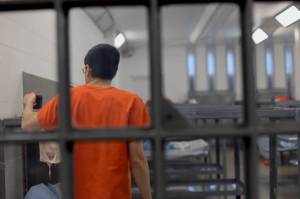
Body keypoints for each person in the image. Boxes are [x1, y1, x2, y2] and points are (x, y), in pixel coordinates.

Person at [22, 43, 152, 199]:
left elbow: (27, 125)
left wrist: (28, 102)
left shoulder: (69, 98)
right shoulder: (133, 102)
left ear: (88, 69)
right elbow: (138, 160)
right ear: (114, 72)